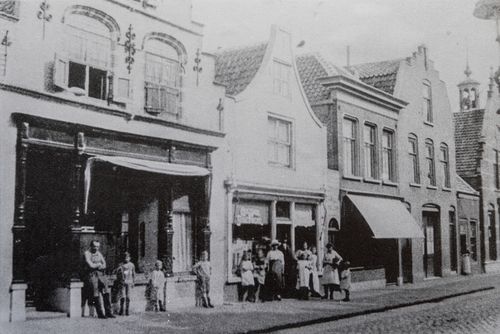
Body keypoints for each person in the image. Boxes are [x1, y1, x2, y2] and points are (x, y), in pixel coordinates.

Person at [83, 240, 115, 319]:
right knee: (95, 294)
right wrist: (98, 264)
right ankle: (100, 313)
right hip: (92, 275)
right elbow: (90, 265)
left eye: (98, 246)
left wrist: (99, 265)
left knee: (106, 292)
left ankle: (108, 312)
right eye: (95, 246)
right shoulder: (87, 253)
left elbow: (104, 264)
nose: (96, 248)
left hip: (101, 275)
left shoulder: (99, 253)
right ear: (91, 246)